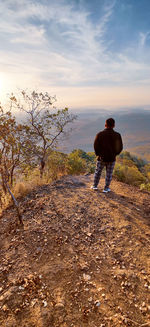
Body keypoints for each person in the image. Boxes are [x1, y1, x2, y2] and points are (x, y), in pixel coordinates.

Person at [91, 118, 123, 193]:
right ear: (114, 125)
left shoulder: (100, 134)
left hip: (101, 158)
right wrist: (115, 154)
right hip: (112, 158)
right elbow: (120, 147)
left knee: (98, 172)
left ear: (105, 124)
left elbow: (96, 146)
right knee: (109, 174)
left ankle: (95, 186)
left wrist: (98, 154)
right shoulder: (117, 135)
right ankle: (106, 188)